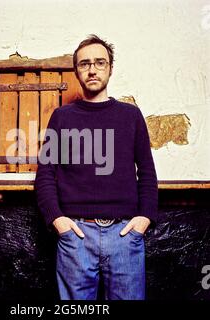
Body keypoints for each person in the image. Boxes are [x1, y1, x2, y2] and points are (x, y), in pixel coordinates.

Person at [34, 34, 158, 300]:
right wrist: (58, 221)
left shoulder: (130, 115)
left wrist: (144, 219)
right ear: (76, 71)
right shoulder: (62, 117)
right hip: (76, 236)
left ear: (110, 68)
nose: (92, 69)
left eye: (100, 62)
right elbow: (45, 174)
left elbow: (147, 173)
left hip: (125, 235)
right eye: (84, 64)